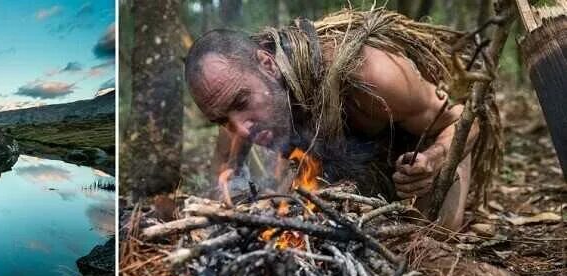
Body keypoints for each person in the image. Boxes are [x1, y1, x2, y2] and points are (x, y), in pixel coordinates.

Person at [184, 9, 500, 231]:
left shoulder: (370, 74)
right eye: (222, 120)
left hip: (417, 152)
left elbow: (462, 119)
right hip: (348, 163)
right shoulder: (237, 107)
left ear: (267, 64)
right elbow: (225, 174)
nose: (240, 129)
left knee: (431, 238)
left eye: (241, 103)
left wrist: (433, 159)